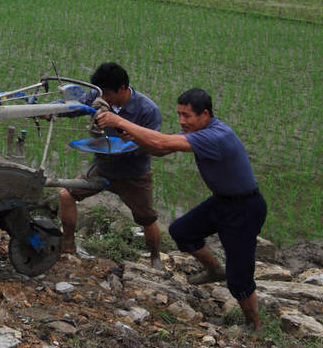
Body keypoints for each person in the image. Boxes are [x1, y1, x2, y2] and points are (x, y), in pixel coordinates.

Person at [96, 88, 267, 331]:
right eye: (179, 115)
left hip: (245, 208)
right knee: (182, 231)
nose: (181, 121)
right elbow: (161, 149)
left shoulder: (215, 137)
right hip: (223, 201)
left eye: (187, 116)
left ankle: (254, 324)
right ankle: (214, 269)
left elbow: (162, 141)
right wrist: (134, 137)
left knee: (239, 276)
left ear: (205, 114)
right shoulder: (201, 131)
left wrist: (118, 120)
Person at [58, 62, 165, 270]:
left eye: (107, 93)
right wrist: (52, 110)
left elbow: (155, 145)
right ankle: (68, 244)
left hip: (134, 174)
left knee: (148, 219)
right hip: (103, 166)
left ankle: (155, 258)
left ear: (123, 89)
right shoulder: (97, 96)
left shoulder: (147, 110)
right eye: (100, 93)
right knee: (66, 195)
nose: (102, 98)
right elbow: (75, 107)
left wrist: (127, 133)